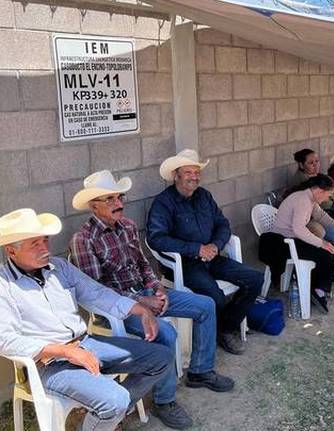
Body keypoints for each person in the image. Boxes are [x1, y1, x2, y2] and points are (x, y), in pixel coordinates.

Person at [0, 208, 175, 431]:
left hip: (86, 344)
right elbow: (5, 340)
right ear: (11, 250)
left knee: (162, 357)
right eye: (34, 244)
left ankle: (107, 415)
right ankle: (110, 411)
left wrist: (140, 310)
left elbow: (96, 293)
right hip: (47, 363)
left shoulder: (59, 267)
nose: (45, 248)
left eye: (45, 240)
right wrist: (65, 352)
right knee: (115, 400)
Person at [69, 171, 236, 428]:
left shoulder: (127, 226)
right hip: (118, 309)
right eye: (110, 199)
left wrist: (157, 287)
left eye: (119, 197)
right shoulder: (84, 240)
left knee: (206, 304)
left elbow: (143, 264)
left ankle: (201, 371)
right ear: (94, 206)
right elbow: (97, 291)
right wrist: (139, 302)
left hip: (147, 294)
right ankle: (164, 401)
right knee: (165, 333)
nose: (118, 203)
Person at [147, 149, 264, 356]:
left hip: (212, 257)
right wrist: (196, 249)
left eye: (197, 172)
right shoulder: (163, 202)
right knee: (214, 296)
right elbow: (157, 238)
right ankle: (220, 331)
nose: (194, 177)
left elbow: (223, 224)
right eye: (188, 172)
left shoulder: (204, 196)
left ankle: (225, 328)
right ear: (175, 175)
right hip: (185, 264)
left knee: (255, 278)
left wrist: (216, 246)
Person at [264, 174, 334, 313]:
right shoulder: (303, 200)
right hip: (283, 243)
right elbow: (299, 229)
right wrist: (321, 243)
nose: (327, 199)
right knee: (325, 254)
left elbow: (321, 215)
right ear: (319, 191)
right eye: (328, 195)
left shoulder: (309, 198)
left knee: (328, 251)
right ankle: (317, 291)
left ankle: (316, 287)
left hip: (292, 239)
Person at [292, 148, 334, 253]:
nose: (315, 165)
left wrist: (330, 199)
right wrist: (331, 201)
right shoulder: (302, 182)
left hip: (327, 212)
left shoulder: (318, 176)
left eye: (317, 161)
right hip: (312, 219)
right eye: (310, 163)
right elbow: (322, 205)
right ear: (301, 165)